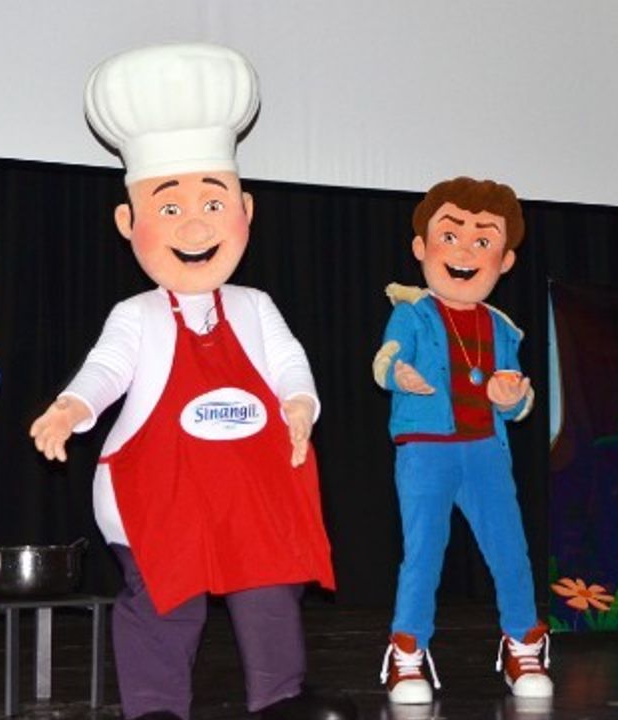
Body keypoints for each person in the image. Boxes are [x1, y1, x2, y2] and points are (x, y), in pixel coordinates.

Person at [28, 44, 353, 720]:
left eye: (213, 202)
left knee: (269, 585)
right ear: (129, 224)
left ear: (246, 210)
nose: (196, 224)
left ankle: (281, 699)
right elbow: (107, 369)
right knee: (164, 597)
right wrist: (71, 407)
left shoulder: (255, 306)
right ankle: (154, 708)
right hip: (159, 491)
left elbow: (288, 361)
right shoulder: (137, 314)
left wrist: (300, 403)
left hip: (249, 487)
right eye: (170, 209)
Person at [371, 177, 550, 703]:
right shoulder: (411, 313)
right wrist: (398, 373)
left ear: (505, 260)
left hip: (486, 450)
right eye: (450, 237)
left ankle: (523, 644)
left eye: (483, 241)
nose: (465, 252)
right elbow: (386, 358)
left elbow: (519, 399)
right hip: (426, 448)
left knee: (510, 550)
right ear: (421, 247)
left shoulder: (503, 329)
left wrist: (509, 396)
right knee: (424, 552)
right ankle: (407, 653)